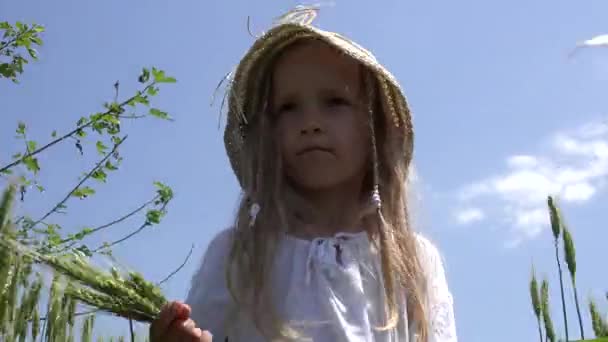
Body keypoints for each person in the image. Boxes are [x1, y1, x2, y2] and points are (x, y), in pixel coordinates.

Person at [150, 6, 457, 342]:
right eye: (288, 107)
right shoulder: (238, 256)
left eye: (335, 101)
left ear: (375, 128)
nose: (311, 123)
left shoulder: (412, 262)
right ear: (268, 135)